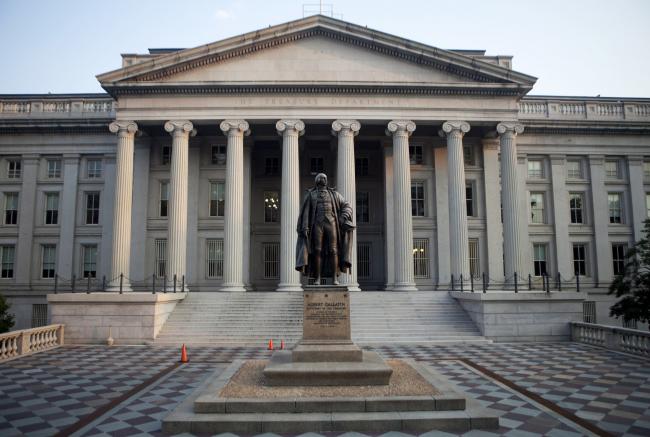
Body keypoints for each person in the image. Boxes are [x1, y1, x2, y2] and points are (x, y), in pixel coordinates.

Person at [296, 173, 354, 285]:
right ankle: (317, 278)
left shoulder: (334, 194)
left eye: (324, 178)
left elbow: (347, 205)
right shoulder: (311, 194)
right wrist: (304, 226)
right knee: (317, 250)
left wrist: (343, 217)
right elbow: (305, 212)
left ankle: (335, 278)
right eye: (320, 177)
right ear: (316, 181)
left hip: (331, 222)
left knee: (333, 250)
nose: (323, 179)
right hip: (317, 223)